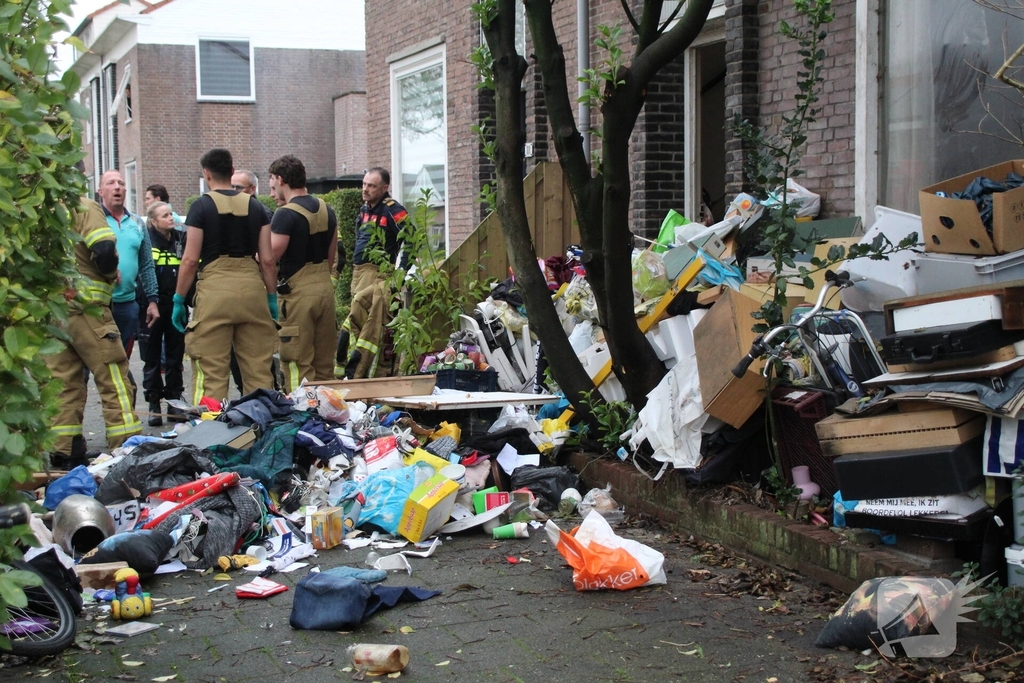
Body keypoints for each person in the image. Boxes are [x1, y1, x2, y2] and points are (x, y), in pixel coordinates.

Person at [171, 148, 278, 404]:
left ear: (206, 173)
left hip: (215, 293)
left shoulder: (201, 207)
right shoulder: (256, 207)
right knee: (258, 371)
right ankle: (262, 432)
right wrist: (271, 298)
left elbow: (189, 260)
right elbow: (267, 260)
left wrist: (178, 298)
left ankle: (210, 434)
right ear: (232, 171)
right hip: (252, 291)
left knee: (212, 373)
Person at [46, 198, 143, 468]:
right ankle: (126, 451)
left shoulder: (42, 207)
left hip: (53, 309)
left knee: (63, 383)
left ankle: (65, 452)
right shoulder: (83, 206)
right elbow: (102, 249)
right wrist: (112, 273)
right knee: (114, 379)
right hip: (87, 309)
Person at [267, 155, 339, 391]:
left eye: (273, 186)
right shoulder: (327, 209)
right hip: (324, 291)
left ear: (281, 179)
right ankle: (328, 416)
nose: (272, 192)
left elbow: (271, 257)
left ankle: (303, 413)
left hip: (297, 295)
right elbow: (331, 257)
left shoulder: (285, 214)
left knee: (297, 361)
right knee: (325, 363)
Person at [338, 167, 408, 378]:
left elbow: (412, 241)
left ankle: (361, 372)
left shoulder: (394, 210)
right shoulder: (364, 209)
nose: (365, 189)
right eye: (364, 184)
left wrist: (400, 274)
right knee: (356, 322)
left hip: (378, 274)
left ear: (385, 188)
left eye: (371, 185)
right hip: (358, 274)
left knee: (364, 318)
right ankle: (350, 372)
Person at [98, 170, 160, 355]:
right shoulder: (92, 220)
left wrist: (153, 300)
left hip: (127, 304)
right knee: (91, 360)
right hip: (97, 303)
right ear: (100, 191)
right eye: (110, 183)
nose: (117, 187)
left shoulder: (137, 222)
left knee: (121, 359)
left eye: (121, 183)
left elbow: (147, 264)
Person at [142, 202, 188, 426]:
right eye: (165, 215)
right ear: (153, 221)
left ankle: (174, 401)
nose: (171, 218)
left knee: (175, 355)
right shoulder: (147, 241)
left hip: (176, 303)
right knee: (151, 357)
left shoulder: (181, 238)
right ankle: (153, 404)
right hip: (152, 305)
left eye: (171, 214)